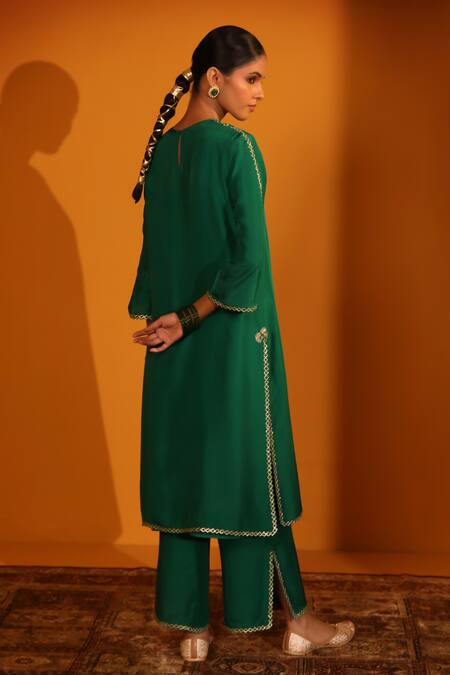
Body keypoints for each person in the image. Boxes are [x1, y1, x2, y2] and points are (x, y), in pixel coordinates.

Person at [128, 25, 355, 663]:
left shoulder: (160, 157)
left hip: (170, 344)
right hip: (230, 337)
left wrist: (169, 321)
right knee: (258, 474)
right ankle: (297, 621)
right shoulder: (237, 150)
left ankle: (194, 629)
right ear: (214, 79)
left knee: (187, 472)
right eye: (251, 78)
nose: (258, 93)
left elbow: (153, 258)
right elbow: (248, 264)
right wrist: (192, 316)